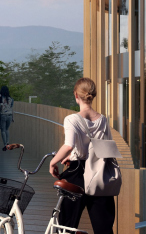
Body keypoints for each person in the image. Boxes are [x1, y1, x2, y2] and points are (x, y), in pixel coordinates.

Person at [49, 77, 115, 234]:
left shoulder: (72, 119)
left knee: (66, 225)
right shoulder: (103, 120)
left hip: (77, 174)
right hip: (99, 175)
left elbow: (68, 145)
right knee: (103, 228)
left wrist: (53, 162)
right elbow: (105, 147)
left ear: (76, 95)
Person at [0, 85, 14, 151]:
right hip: (10, 115)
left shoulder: (1, 98)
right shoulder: (11, 99)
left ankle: (5, 144)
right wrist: (12, 117)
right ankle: (8, 142)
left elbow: (1, 107)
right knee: (7, 129)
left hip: (3, 115)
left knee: (3, 130)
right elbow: (11, 108)